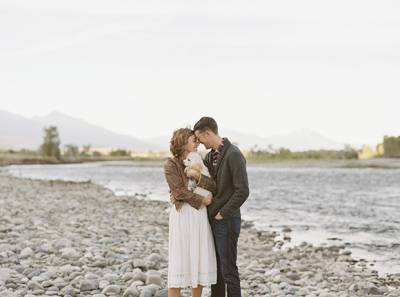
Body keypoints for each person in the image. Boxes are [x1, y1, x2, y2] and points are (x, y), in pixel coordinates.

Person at [192, 117, 250, 297]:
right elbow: (209, 185)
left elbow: (243, 191)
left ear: (207, 133)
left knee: (228, 269)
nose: (199, 143)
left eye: (199, 138)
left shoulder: (234, 154)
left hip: (227, 220)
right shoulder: (209, 156)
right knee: (215, 271)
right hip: (213, 219)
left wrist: (222, 214)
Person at [164, 128, 218, 297]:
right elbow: (178, 191)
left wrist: (198, 175)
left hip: (200, 217)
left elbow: (213, 186)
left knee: (198, 260)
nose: (197, 142)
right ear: (182, 142)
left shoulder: (200, 160)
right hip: (183, 216)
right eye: (193, 140)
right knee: (179, 263)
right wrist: (203, 199)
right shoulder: (171, 164)